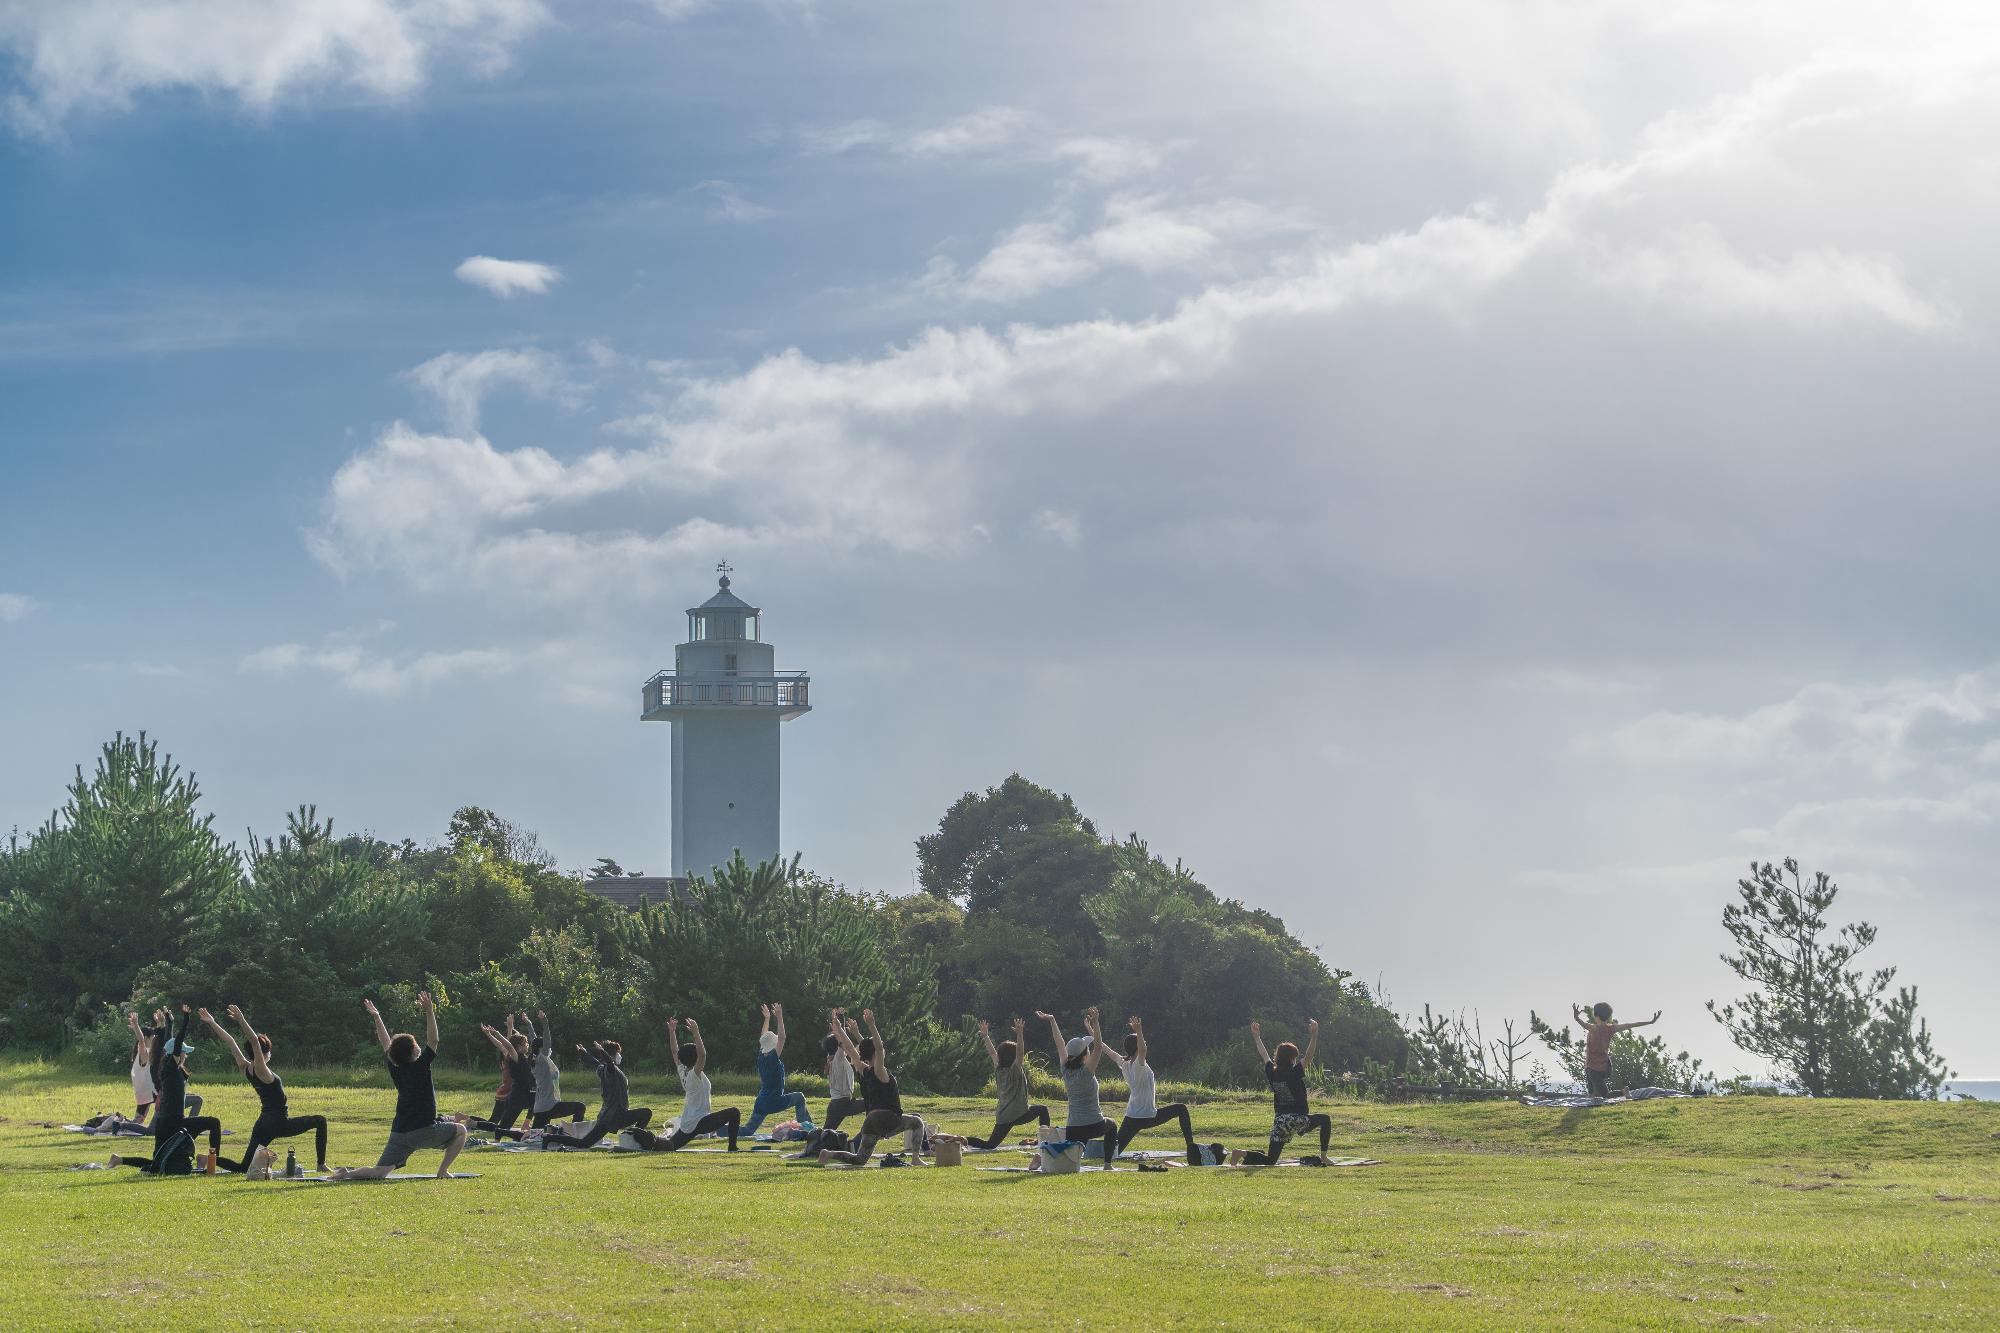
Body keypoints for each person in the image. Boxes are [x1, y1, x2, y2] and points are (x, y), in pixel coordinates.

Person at [329, 992, 467, 1180]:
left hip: (400, 1133)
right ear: (413, 1051)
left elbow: (385, 1043)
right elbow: (433, 1040)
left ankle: (347, 1174)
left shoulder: (396, 1067)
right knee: (461, 1131)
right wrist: (429, 1010)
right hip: (424, 1131)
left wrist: (377, 1017)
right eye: (416, 1044)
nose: (420, 1046)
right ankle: (442, 1171)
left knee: (380, 1172)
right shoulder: (421, 1066)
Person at [199, 1004, 329, 1175]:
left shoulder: (246, 1068)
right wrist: (241, 1019)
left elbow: (230, 1041)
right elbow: (254, 1041)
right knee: (320, 1121)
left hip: (262, 1124)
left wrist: (212, 1022)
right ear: (264, 1053)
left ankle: (207, 1160)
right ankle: (321, 1164)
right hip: (278, 1123)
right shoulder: (261, 1070)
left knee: (243, 1168)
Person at [109, 1003, 225, 1173]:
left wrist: (169, 1023)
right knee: (213, 1123)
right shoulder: (169, 1067)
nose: (185, 1054)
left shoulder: (172, 1068)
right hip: (172, 1121)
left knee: (158, 1162)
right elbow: (175, 1043)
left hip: (171, 1121)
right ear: (175, 1054)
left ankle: (119, 1159)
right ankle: (212, 1161)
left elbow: (169, 1041)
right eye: (183, 1052)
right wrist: (186, 1019)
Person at [819, 1008, 927, 1166]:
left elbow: (851, 1050)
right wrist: (871, 1025)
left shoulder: (864, 1071)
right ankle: (916, 1159)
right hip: (887, 1118)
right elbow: (878, 1047)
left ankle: (828, 1154)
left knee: (860, 1159)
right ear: (876, 1054)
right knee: (917, 1121)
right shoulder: (879, 1071)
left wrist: (841, 1030)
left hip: (870, 1121)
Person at [1236, 1018, 1332, 1166]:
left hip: (1280, 1121)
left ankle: (1242, 1153)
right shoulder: (1294, 1073)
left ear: (1278, 1057)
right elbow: (1309, 1056)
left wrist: (1257, 1037)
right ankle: (1324, 1156)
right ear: (1292, 1058)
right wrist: (1314, 1036)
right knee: (1325, 1119)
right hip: (1296, 1119)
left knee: (1270, 1160)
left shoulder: (1272, 1072)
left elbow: (1264, 1055)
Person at [1106, 1014, 1199, 1164]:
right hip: (1147, 1116)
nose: (1145, 1044)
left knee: (1112, 1153)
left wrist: (1093, 1032)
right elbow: (1142, 1050)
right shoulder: (1138, 1064)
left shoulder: (1124, 1063)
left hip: (1133, 1117)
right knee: (1181, 1109)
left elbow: (1108, 1051)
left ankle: (1191, 1147)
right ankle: (1191, 1146)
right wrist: (1139, 1030)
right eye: (1142, 1042)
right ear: (1137, 1046)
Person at [1037, 1007, 1118, 1165]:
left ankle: (1048, 1158)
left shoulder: (1065, 1069)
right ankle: (1108, 1165)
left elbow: (1059, 1043)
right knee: (1112, 1125)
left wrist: (1052, 1020)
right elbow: (1099, 1047)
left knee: (1072, 1160)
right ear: (1084, 1055)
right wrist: (1096, 1023)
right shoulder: (1086, 1072)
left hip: (1073, 1128)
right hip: (1094, 1125)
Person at [651, 1017, 741, 1151]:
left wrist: (672, 1032)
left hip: (687, 1124)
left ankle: (649, 1141)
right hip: (701, 1122)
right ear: (695, 1058)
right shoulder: (695, 1073)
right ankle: (732, 1147)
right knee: (734, 1112)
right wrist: (695, 1032)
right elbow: (703, 1055)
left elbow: (675, 1052)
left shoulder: (683, 1070)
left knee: (669, 1147)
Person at [966, 1016, 1049, 1150]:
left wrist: (986, 1036)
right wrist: (1020, 1034)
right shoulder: (1014, 1070)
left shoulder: (999, 1069)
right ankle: (1045, 1141)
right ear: (1013, 1056)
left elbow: (992, 1053)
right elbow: (1021, 1053)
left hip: (1004, 1116)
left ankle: (961, 1139)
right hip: (1020, 1114)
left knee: (990, 1145)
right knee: (1042, 1110)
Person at [564, 1039, 659, 1149]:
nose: (619, 1055)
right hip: (615, 1116)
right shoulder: (611, 1070)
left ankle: (549, 1137)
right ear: (612, 1055)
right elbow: (608, 1062)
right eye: (618, 1053)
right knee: (646, 1113)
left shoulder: (602, 1068)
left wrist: (584, 1053)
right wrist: (601, 1050)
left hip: (608, 1116)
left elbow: (595, 1062)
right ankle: (634, 1139)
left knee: (584, 1143)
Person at [741, 1003, 812, 1138]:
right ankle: (807, 1130)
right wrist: (779, 1017)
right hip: (774, 1101)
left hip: (761, 1101)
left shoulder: (761, 1055)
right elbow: (782, 1038)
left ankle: (719, 1128)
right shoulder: (772, 1059)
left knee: (747, 1131)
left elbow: (763, 1037)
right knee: (799, 1097)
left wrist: (767, 1019)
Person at [1573, 1003, 1661, 1098]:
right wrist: (1650, 1022)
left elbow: (1583, 1024)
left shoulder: (1594, 1028)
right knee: (1592, 1092)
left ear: (1596, 1015)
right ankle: (1592, 1097)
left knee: (1606, 1095)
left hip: (1593, 1067)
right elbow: (1631, 1025)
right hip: (1605, 1067)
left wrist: (1576, 1017)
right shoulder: (1611, 1028)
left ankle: (1623, 1092)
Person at [520, 1010, 586, 1127]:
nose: (549, 1048)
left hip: (542, 1107)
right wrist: (545, 1021)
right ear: (542, 1048)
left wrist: (529, 1024)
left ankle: (502, 1132)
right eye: (545, 1046)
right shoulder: (541, 1058)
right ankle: (574, 1133)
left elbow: (534, 1040)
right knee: (580, 1107)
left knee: (535, 1137)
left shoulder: (538, 1058)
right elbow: (546, 1041)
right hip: (549, 1106)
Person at [476, 1019, 538, 1131]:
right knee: (503, 1128)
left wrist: (511, 1027)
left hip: (525, 1094)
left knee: (537, 1101)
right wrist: (496, 1034)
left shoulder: (525, 1057)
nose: (528, 1045)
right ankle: (475, 1124)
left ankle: (531, 1126)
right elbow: (508, 1046)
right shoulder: (516, 1056)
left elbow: (510, 1043)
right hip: (517, 1096)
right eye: (526, 1044)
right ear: (518, 1047)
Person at [821, 1011, 865, 1132]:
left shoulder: (832, 1059)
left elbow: (841, 1043)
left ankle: (816, 1147)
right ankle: (871, 1132)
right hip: (843, 1104)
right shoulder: (838, 1059)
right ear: (838, 1046)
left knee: (826, 1134)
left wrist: (836, 1028)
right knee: (872, 1103)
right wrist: (840, 1026)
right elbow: (844, 1043)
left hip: (834, 1105)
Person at [125, 1009, 158, 1124]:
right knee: (136, 1123)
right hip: (148, 1092)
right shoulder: (144, 1053)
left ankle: (121, 1123)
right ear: (148, 1037)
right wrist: (136, 1025)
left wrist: (160, 1023)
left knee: (137, 1122)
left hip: (145, 1092)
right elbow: (141, 1040)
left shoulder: (148, 1052)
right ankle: (119, 1123)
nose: (155, 1039)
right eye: (153, 1037)